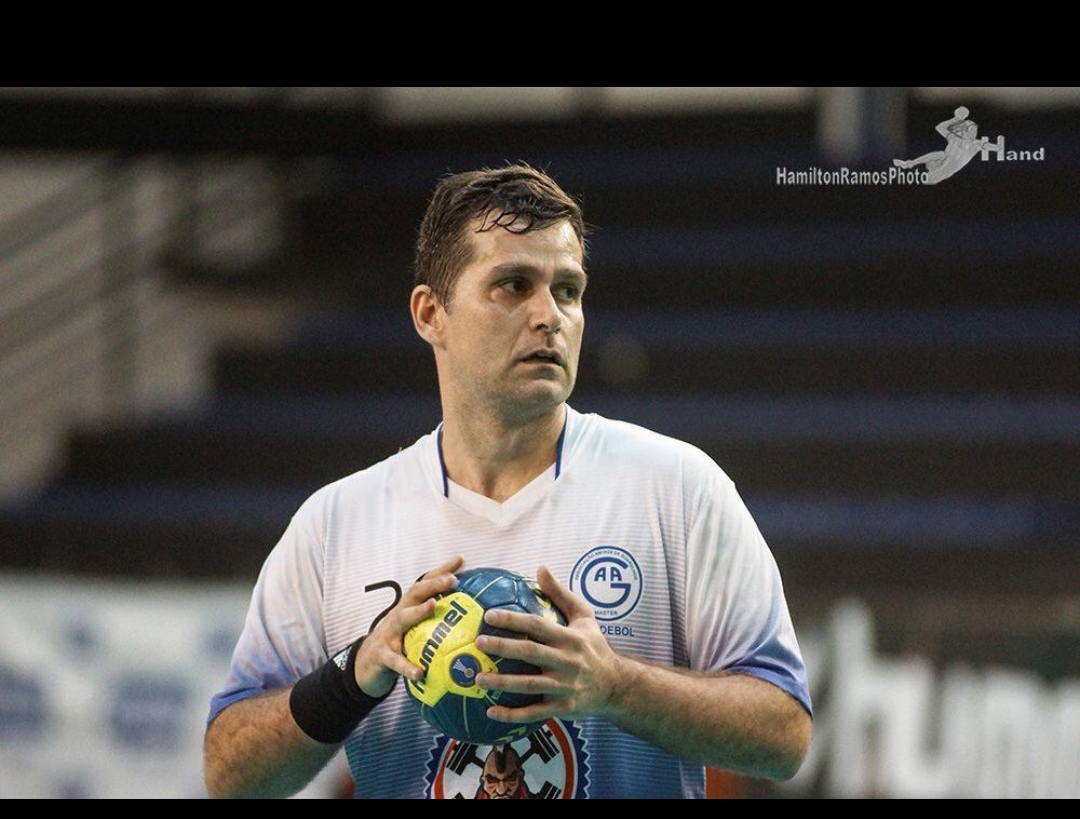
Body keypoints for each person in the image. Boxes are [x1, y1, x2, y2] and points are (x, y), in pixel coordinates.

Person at [203, 162, 813, 799]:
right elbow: (228, 774)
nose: (550, 315)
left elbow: (785, 734)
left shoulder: (677, 490)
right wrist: (350, 679)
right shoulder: (337, 525)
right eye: (514, 285)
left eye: (568, 290)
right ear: (431, 313)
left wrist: (615, 686)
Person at [893, 106, 989, 184]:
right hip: (941, 171)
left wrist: (957, 119)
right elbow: (940, 128)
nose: (936, 161)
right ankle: (910, 164)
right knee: (941, 157)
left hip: (941, 169)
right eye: (935, 162)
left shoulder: (951, 145)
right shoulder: (955, 140)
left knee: (941, 155)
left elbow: (940, 127)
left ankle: (909, 164)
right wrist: (957, 119)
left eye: (934, 162)